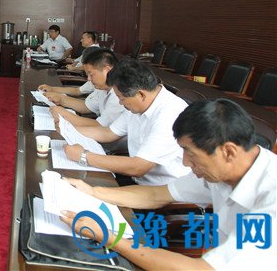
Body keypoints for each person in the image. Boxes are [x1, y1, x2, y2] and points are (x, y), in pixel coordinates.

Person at [60, 99, 276, 270]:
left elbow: (201, 269)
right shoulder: (221, 172)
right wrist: (92, 191)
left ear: (228, 151)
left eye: (191, 154)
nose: (185, 162)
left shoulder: (271, 201)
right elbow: (155, 196)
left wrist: (105, 236)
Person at [62, 58, 190, 185]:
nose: (120, 103)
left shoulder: (170, 114)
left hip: (159, 190)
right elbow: (108, 133)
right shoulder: (139, 103)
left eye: (121, 98)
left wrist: (84, 156)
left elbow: (138, 167)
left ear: (141, 94)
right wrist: (66, 130)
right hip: (136, 180)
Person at [49, 48, 125, 128]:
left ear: (107, 70)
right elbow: (86, 107)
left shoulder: (120, 94)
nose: (88, 79)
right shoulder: (103, 87)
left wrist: (65, 115)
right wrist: (61, 99)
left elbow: (101, 126)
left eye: (91, 74)